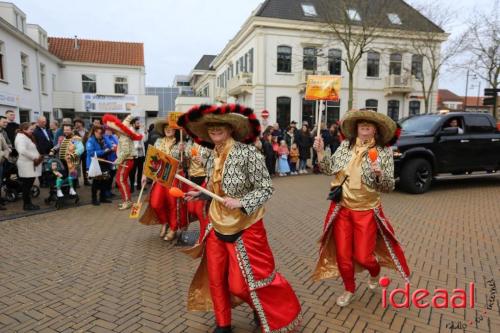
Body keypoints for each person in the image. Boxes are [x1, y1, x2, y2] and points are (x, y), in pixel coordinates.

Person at [179, 104, 302, 333]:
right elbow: (215, 186)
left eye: (220, 126)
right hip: (216, 224)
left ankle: (266, 307)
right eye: (211, 127)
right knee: (216, 278)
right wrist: (201, 193)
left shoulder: (248, 153)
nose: (215, 130)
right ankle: (223, 324)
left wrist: (242, 202)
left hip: (245, 226)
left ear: (230, 129)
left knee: (240, 284)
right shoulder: (209, 155)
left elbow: (266, 188)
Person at [312, 109, 410, 307]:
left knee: (364, 257)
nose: (365, 126)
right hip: (342, 209)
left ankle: (375, 272)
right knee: (343, 255)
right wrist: (321, 152)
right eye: (361, 123)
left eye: (369, 124)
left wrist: (379, 175)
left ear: (375, 130)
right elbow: (328, 169)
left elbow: (389, 186)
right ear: (356, 128)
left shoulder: (383, 152)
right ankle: (349, 288)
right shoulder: (345, 147)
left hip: (366, 210)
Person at [139, 119, 188, 241]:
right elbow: (151, 158)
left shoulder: (181, 143)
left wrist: (184, 153)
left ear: (175, 130)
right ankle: (164, 222)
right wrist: (145, 175)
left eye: (170, 127)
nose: (168, 129)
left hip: (176, 177)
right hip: (160, 177)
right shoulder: (159, 142)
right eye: (166, 127)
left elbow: (187, 164)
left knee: (173, 204)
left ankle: (173, 228)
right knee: (155, 203)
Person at [103, 114, 142, 210]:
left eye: (113, 130)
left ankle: (127, 201)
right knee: (120, 180)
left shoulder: (123, 137)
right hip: (126, 160)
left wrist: (117, 161)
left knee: (121, 180)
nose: (113, 132)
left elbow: (125, 152)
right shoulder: (123, 136)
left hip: (126, 160)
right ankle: (126, 200)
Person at [15, 122, 42, 211]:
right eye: (31, 129)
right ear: (24, 129)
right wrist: (34, 157)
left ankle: (28, 203)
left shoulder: (25, 136)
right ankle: (27, 205)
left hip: (29, 164)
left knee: (28, 185)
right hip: (26, 165)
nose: (32, 131)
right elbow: (22, 150)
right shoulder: (21, 138)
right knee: (27, 186)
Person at [51, 124, 84, 192]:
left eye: (68, 130)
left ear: (72, 130)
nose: (66, 131)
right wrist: (53, 150)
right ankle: (67, 190)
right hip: (63, 161)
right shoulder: (63, 138)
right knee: (65, 176)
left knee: (73, 177)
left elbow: (81, 149)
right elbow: (58, 146)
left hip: (72, 162)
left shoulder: (75, 139)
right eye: (65, 130)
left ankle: (73, 191)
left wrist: (72, 155)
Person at [86, 125, 113, 206]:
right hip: (95, 163)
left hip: (104, 162)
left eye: (102, 133)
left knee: (105, 180)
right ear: (94, 132)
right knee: (96, 181)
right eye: (100, 133)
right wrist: (103, 151)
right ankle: (94, 199)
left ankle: (103, 197)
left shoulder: (103, 139)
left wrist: (105, 139)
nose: (101, 134)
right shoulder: (90, 141)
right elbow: (91, 153)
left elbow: (110, 146)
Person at [129, 118, 146, 193]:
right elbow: (130, 143)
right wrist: (136, 146)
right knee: (132, 171)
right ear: (133, 124)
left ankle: (139, 185)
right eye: (137, 123)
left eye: (139, 123)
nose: (139, 125)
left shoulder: (140, 131)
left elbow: (144, 140)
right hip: (134, 154)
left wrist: (145, 133)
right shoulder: (130, 131)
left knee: (140, 170)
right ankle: (132, 186)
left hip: (141, 154)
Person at [74, 118, 90, 186]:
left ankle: (86, 181)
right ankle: (76, 182)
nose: (76, 124)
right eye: (75, 123)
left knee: (85, 166)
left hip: (85, 151)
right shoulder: (74, 132)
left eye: (78, 122)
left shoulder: (87, 131)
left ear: (82, 123)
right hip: (77, 151)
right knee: (76, 166)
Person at [103, 127, 119, 198]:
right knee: (107, 177)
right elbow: (107, 147)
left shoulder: (114, 137)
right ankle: (105, 192)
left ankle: (109, 191)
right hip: (107, 160)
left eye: (110, 129)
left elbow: (118, 146)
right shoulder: (103, 138)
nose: (109, 131)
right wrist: (112, 148)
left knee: (112, 176)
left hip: (114, 160)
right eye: (107, 130)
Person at [0, 116, 10, 210]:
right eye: (4, 122)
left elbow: (6, 146)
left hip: (1, 162)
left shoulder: (2, 133)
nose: (5, 124)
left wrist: (4, 155)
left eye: (6, 122)